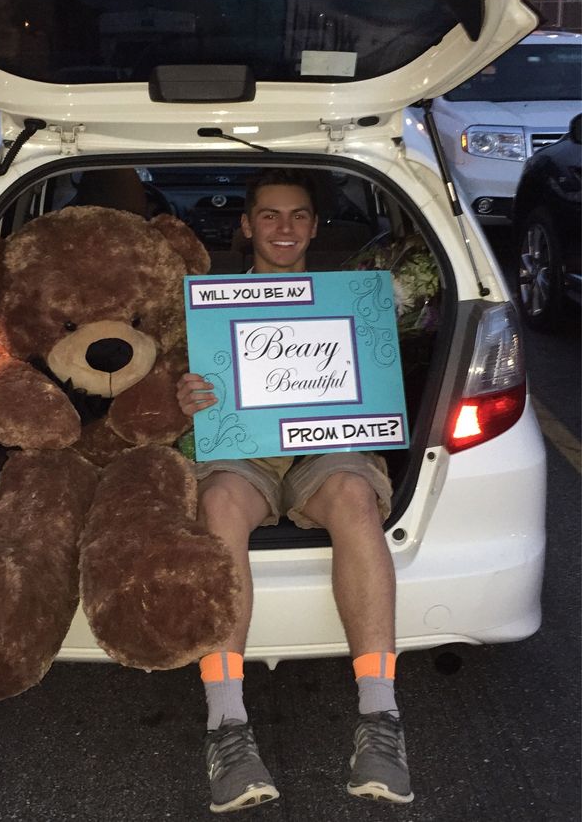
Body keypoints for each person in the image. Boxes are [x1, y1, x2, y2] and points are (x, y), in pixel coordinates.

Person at [176, 168, 413, 813]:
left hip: (325, 445)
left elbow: (377, 387)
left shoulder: (352, 300)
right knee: (219, 502)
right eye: (271, 216)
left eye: (300, 215)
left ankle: (381, 719)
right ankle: (227, 723)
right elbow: (171, 394)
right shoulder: (212, 306)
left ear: (314, 225)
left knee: (355, 498)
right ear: (247, 225)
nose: (286, 228)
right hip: (245, 452)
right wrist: (183, 397)